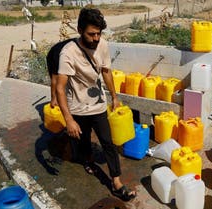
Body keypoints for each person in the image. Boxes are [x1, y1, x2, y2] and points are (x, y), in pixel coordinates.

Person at [55, 7, 136, 201]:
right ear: (79, 30)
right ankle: (88, 161)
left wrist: (114, 97)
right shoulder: (68, 53)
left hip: (99, 106)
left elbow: (106, 71)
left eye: (99, 33)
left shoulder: (103, 45)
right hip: (78, 109)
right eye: (91, 34)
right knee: (83, 144)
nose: (96, 38)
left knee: (108, 142)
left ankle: (116, 183)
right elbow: (59, 88)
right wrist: (69, 120)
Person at [46, 38, 75, 108]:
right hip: (55, 54)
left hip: (68, 53)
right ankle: (55, 99)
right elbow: (55, 79)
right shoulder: (59, 54)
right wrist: (53, 98)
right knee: (59, 80)